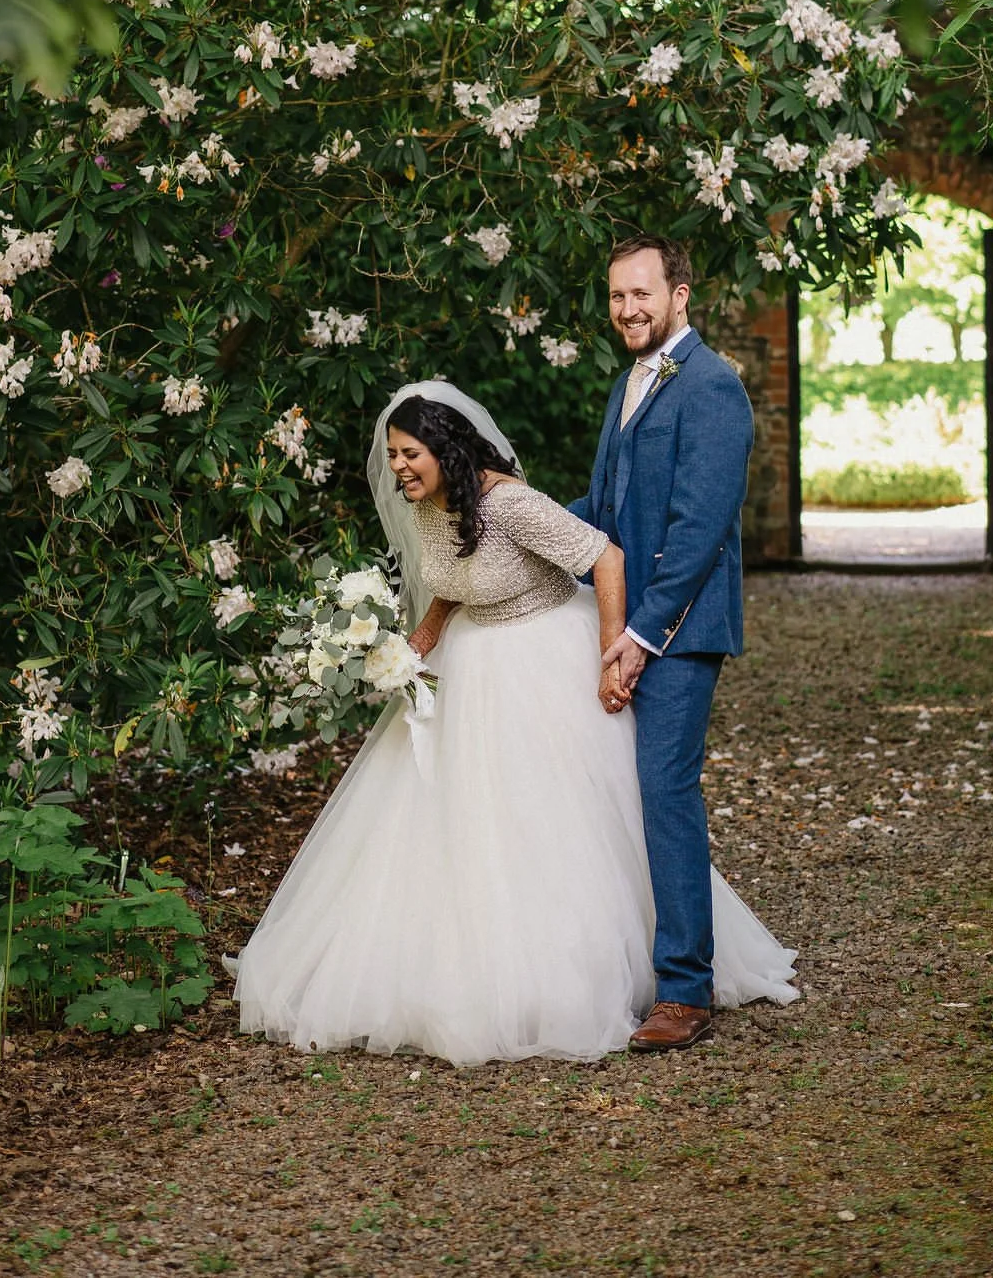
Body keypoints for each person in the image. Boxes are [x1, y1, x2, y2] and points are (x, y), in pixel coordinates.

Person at [233, 373, 795, 1067]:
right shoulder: (426, 508)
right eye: (394, 455)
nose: (400, 468)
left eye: (411, 453)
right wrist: (422, 639)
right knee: (446, 810)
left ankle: (612, 971)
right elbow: (452, 580)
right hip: (473, 657)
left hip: (543, 651)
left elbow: (605, 556)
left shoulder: (513, 505)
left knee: (551, 819)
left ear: (444, 448)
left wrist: (611, 654)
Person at [572, 233, 753, 1053]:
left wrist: (640, 635)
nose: (627, 309)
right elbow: (608, 504)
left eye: (641, 294)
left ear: (681, 293)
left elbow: (697, 531)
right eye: (616, 297)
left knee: (665, 791)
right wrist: (515, 519)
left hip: (678, 629)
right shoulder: (631, 382)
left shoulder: (712, 388)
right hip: (626, 619)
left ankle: (686, 990)